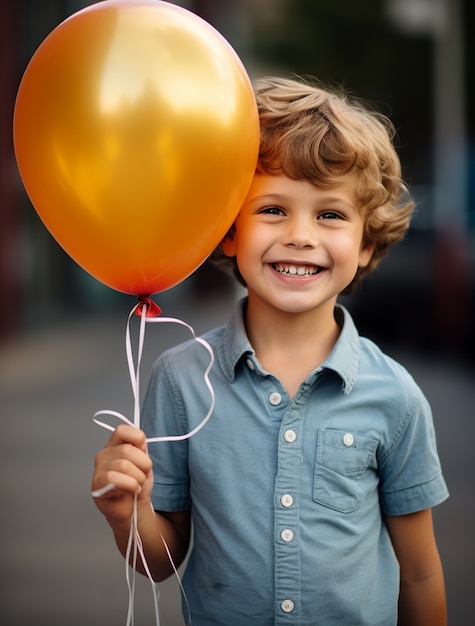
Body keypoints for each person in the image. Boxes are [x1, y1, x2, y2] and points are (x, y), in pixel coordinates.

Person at [92, 76, 449, 625]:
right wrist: (129, 513)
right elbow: (160, 561)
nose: (300, 235)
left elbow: (421, 573)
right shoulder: (183, 378)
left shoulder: (394, 394)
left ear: (366, 242)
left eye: (329, 214)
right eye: (273, 210)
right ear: (229, 229)